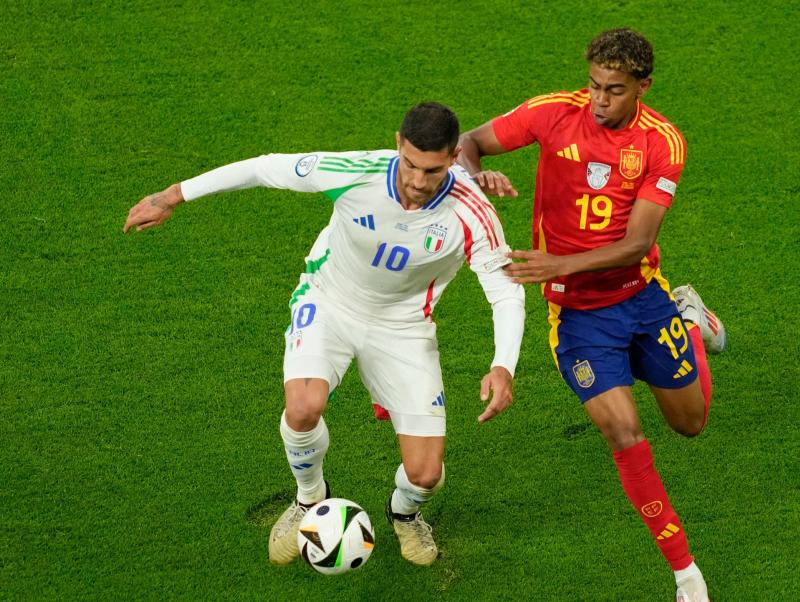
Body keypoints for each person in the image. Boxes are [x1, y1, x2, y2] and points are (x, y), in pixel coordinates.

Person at [124, 102, 525, 567]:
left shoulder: (473, 211)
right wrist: (173, 195)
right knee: (303, 407)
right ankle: (308, 500)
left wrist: (503, 365)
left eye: (432, 170)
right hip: (330, 299)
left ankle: (405, 514)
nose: (417, 181)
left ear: (455, 157)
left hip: (403, 327)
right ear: (398, 143)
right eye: (410, 164)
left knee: (426, 474)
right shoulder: (355, 171)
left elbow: (505, 291)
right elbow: (263, 168)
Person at [458, 29, 725, 602]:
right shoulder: (555, 113)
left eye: (614, 90)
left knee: (690, 424)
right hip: (579, 317)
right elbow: (468, 141)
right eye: (595, 86)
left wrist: (558, 260)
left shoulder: (663, 143)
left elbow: (636, 243)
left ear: (642, 88)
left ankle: (688, 318)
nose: (600, 100)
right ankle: (686, 574)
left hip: (640, 295)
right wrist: (477, 174)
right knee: (623, 431)